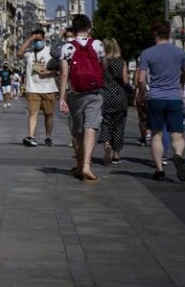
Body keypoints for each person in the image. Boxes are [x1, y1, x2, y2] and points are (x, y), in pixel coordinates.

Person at [136, 20, 185, 181]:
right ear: (169, 33)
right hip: (174, 97)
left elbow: (141, 79)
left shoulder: (147, 53)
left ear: (155, 34)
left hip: (156, 97)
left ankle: (159, 170)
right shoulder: (180, 53)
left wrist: (143, 93)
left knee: (156, 134)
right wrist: (181, 84)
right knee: (177, 135)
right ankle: (178, 155)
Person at [59, 15, 106, 182]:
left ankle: (80, 166)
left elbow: (64, 74)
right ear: (89, 27)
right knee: (90, 128)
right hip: (94, 92)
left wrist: (62, 98)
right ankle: (85, 165)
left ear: (73, 29)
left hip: (76, 94)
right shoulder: (97, 44)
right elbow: (103, 66)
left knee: (78, 131)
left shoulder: (67, 47)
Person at [18, 29, 58, 147]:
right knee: (32, 112)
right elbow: (19, 54)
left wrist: (49, 73)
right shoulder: (29, 53)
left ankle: (48, 136)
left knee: (49, 114)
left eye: (39, 39)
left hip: (49, 87)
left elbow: (58, 69)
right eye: (35, 40)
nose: (37, 42)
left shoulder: (50, 51)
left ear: (44, 39)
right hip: (33, 88)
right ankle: (31, 136)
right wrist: (30, 39)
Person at [98, 38, 130, 165]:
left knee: (106, 124)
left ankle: (106, 144)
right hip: (119, 97)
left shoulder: (100, 62)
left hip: (105, 96)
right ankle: (116, 155)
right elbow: (126, 81)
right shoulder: (121, 62)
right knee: (118, 126)